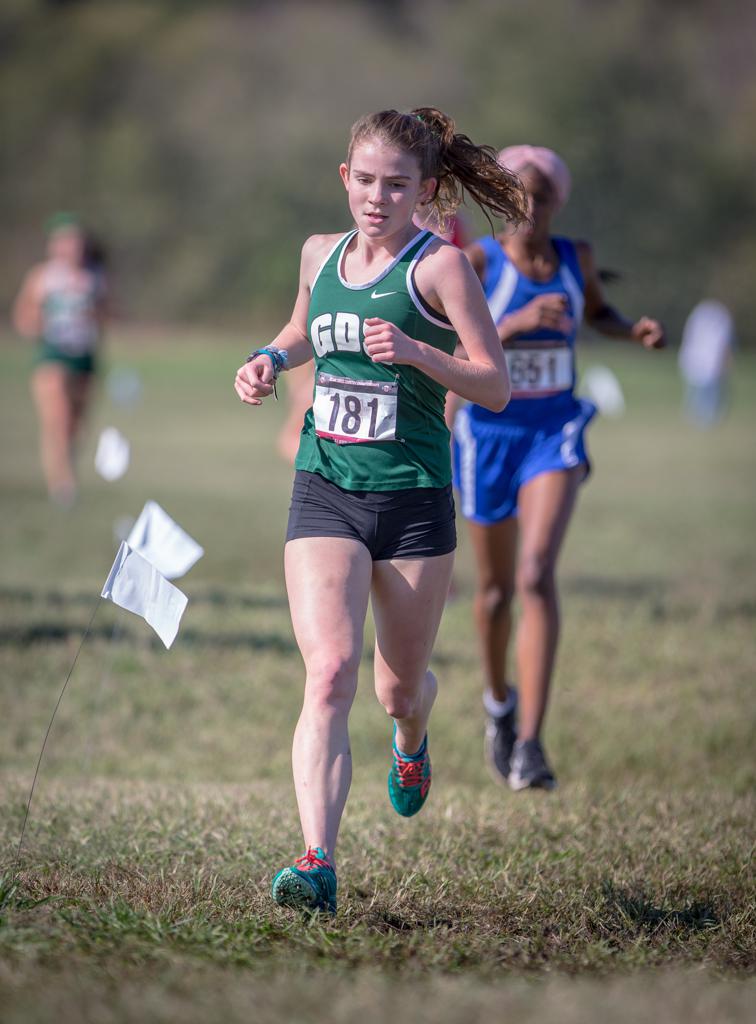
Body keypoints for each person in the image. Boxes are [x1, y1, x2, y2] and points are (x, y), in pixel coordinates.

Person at [234, 108, 527, 913]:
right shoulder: (318, 255)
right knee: (328, 672)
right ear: (344, 178)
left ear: (425, 190)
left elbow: (494, 385)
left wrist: (421, 353)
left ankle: (412, 738)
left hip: (414, 501)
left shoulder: (442, 271)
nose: (377, 197)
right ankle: (317, 862)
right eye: (364, 180)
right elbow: (302, 329)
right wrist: (267, 358)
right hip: (324, 485)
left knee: (396, 689)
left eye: (397, 185)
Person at [452, 145, 664, 792]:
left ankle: (532, 748)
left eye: (540, 194)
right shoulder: (478, 262)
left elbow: (597, 311)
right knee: (494, 595)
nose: (528, 205)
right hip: (487, 434)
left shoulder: (576, 258)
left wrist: (632, 331)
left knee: (537, 574)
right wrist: (513, 323)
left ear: (557, 201)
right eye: (515, 192)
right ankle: (499, 706)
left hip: (555, 430)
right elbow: (451, 340)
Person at [276, 208, 474, 465]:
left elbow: (467, 295)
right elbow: (345, 294)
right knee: (302, 427)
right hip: (357, 351)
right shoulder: (383, 216)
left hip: (426, 369)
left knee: (438, 439)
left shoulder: (456, 227)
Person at [12, 213, 108, 504]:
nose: (72, 248)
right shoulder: (43, 277)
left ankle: (66, 477)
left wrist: (92, 316)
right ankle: (62, 488)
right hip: (52, 355)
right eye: (66, 242)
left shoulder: (95, 277)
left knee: (76, 426)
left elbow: (108, 314)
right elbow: (23, 317)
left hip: (84, 357)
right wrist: (39, 325)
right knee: (57, 418)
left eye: (77, 242)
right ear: (54, 245)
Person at [678, 298, 734, 426]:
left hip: (695, 362)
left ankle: (699, 422)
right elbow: (725, 346)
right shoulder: (721, 320)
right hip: (708, 364)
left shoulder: (698, 316)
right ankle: (704, 423)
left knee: (696, 399)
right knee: (707, 401)